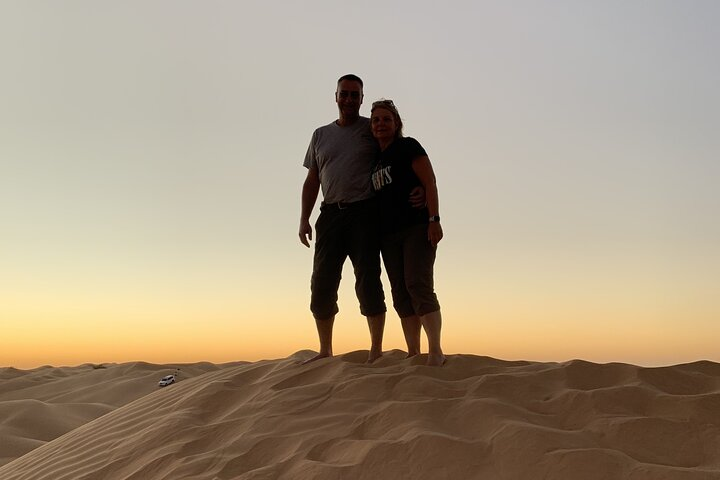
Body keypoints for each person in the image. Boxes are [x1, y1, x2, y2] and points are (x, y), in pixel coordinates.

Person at [298, 74, 387, 364]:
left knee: (368, 280)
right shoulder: (320, 135)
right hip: (330, 214)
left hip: (364, 213)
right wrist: (304, 218)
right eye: (344, 94)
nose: (349, 99)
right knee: (322, 284)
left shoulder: (370, 129)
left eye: (354, 95)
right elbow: (312, 179)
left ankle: (376, 350)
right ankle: (325, 350)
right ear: (335, 96)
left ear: (362, 98)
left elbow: (395, 156)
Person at [369, 99, 446, 366]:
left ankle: (435, 350)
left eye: (386, 119)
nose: (380, 124)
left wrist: (434, 218)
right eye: (376, 120)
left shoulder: (408, 146)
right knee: (400, 292)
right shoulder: (373, 159)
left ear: (396, 123)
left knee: (418, 284)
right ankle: (413, 352)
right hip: (387, 235)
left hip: (416, 227)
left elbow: (429, 181)